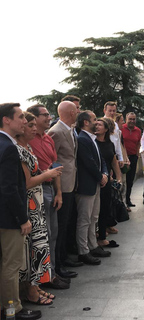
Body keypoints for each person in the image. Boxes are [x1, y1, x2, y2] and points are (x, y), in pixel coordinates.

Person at [16, 112, 63, 306]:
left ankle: (35, 286)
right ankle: (30, 290)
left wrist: (46, 174)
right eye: (30, 125)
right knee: (32, 248)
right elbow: (26, 182)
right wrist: (47, 174)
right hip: (29, 204)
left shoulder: (27, 146)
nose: (34, 128)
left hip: (37, 202)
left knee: (39, 246)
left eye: (35, 125)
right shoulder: (17, 149)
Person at [26, 104, 77, 286]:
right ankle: (47, 276)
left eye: (49, 114)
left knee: (53, 233)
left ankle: (53, 272)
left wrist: (59, 193)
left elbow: (55, 166)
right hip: (36, 190)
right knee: (44, 235)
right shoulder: (26, 141)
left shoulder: (47, 138)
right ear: (33, 119)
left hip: (51, 189)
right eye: (45, 115)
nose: (49, 118)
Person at [0, 103, 41, 320]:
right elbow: (9, 189)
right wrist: (22, 219)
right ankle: (11, 310)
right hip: (9, 218)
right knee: (11, 266)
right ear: (6, 120)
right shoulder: (8, 147)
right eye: (19, 117)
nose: (24, 121)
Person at [48, 101, 82, 280]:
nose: (79, 111)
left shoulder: (69, 129)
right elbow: (52, 160)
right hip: (62, 185)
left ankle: (64, 258)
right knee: (61, 226)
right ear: (71, 112)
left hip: (70, 182)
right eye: (77, 109)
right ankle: (59, 264)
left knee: (67, 223)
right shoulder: (56, 131)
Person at [75, 111, 110, 266]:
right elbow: (88, 162)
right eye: (94, 120)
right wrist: (100, 176)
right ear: (85, 122)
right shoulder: (82, 139)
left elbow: (100, 158)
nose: (97, 122)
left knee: (93, 217)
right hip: (86, 185)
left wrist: (105, 173)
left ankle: (93, 245)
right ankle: (83, 251)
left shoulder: (92, 138)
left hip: (95, 183)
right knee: (84, 219)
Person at [95, 118, 122, 248]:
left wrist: (119, 177)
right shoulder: (92, 142)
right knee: (96, 209)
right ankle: (99, 234)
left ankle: (102, 233)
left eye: (100, 124)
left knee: (106, 207)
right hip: (97, 180)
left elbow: (113, 161)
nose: (96, 126)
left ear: (106, 129)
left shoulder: (109, 144)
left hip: (108, 180)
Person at [120, 112, 141, 208]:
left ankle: (128, 200)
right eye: (130, 119)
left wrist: (137, 154)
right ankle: (121, 201)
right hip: (123, 158)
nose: (132, 121)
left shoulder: (138, 131)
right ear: (126, 119)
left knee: (130, 180)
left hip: (133, 157)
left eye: (134, 119)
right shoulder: (121, 129)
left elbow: (138, 143)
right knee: (122, 180)